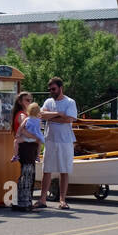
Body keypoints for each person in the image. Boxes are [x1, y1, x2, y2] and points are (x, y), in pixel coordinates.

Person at [39, 76, 77, 210]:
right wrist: (59, 114)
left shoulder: (70, 102)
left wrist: (52, 117)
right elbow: (42, 115)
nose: (52, 91)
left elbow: (69, 119)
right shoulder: (48, 101)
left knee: (64, 170)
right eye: (50, 89)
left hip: (65, 140)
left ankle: (62, 200)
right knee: (46, 170)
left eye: (54, 89)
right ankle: (42, 199)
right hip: (49, 139)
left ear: (61, 88)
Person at [11, 102, 45, 212]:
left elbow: (21, 128)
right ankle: (24, 202)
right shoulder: (35, 120)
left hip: (26, 144)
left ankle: (21, 201)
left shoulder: (27, 118)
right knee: (27, 174)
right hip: (30, 147)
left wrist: (18, 134)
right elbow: (37, 132)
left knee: (25, 174)